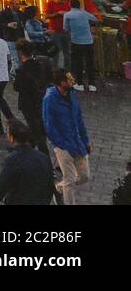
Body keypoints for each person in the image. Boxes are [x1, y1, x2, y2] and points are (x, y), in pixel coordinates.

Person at [42, 70, 92, 205]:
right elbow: (49, 126)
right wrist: (61, 145)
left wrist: (85, 140)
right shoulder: (50, 99)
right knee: (69, 180)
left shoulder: (72, 95)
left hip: (77, 143)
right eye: (70, 79)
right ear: (62, 83)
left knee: (85, 176)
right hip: (63, 146)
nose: (73, 81)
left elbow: (79, 119)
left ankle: (58, 188)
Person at [0, 121, 57, 205]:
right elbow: (50, 184)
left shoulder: (13, 160)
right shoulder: (43, 157)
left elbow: (0, 187)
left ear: (11, 138)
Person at [62, 0, 98, 92]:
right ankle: (92, 84)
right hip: (88, 41)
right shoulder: (84, 13)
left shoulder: (67, 15)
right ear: (79, 5)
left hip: (76, 41)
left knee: (78, 63)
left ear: (70, 5)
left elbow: (65, 28)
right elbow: (95, 18)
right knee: (90, 63)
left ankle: (80, 84)